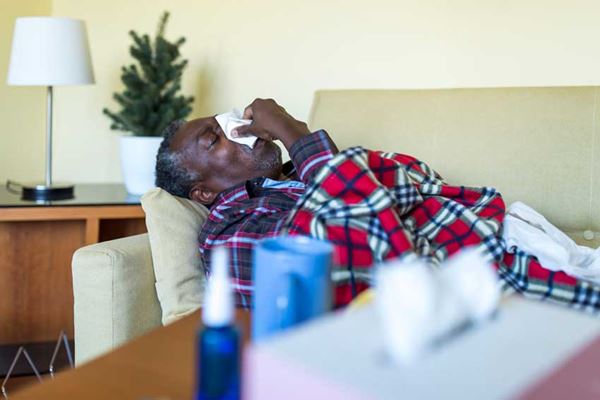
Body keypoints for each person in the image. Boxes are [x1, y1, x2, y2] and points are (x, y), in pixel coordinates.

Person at [156, 99, 600, 312]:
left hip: (502, 237)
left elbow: (417, 177)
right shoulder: (230, 235)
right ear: (204, 193)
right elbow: (368, 255)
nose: (236, 130)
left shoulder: (298, 179)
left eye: (224, 122)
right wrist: (295, 134)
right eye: (214, 139)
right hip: (471, 281)